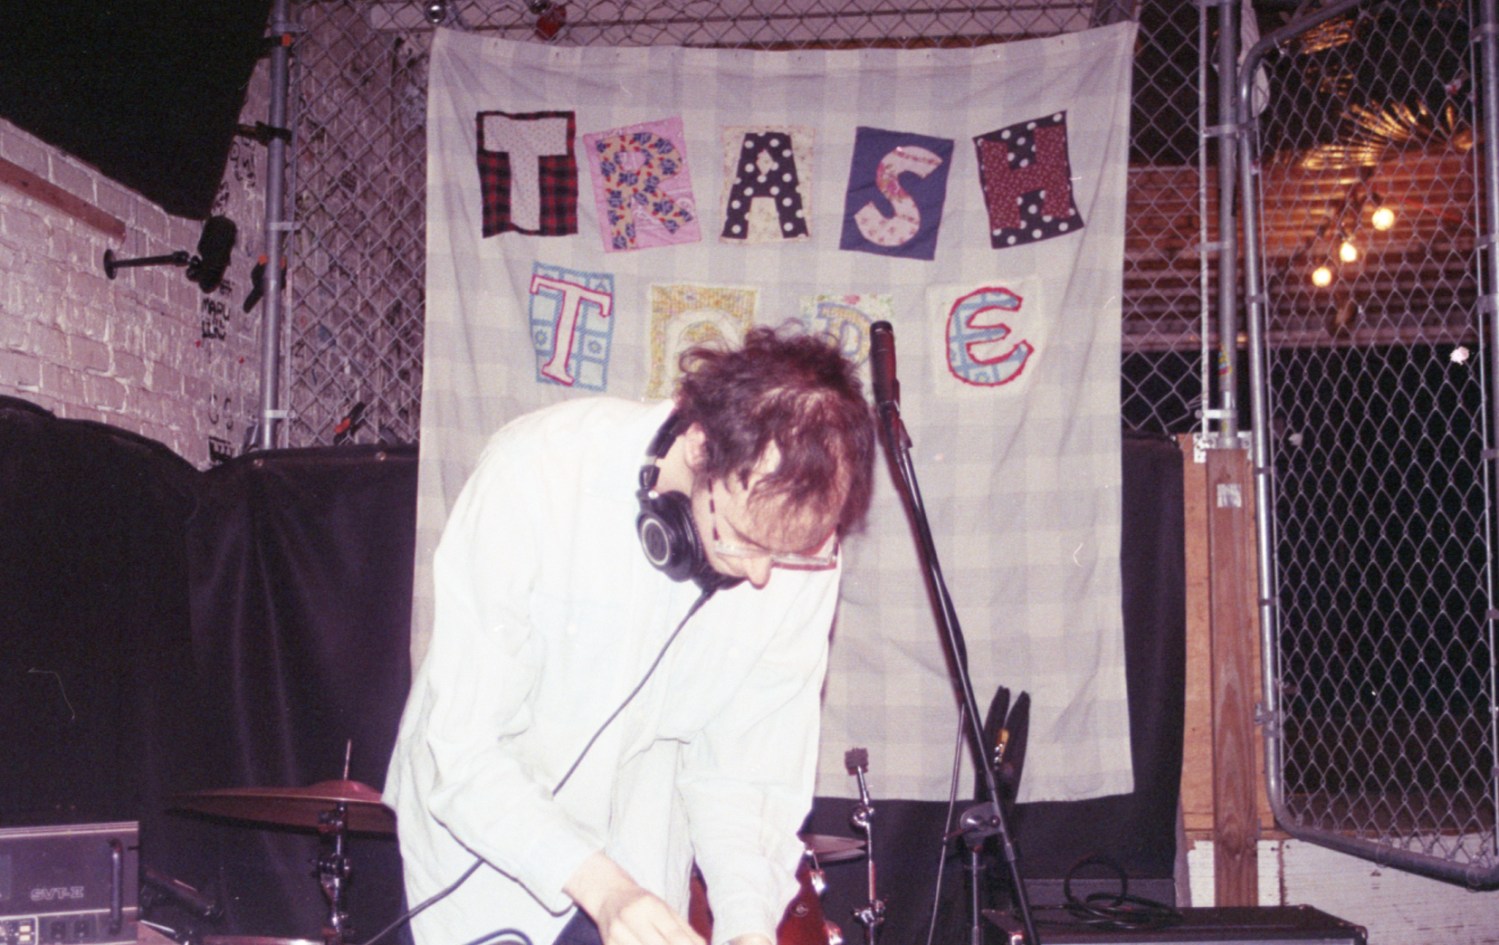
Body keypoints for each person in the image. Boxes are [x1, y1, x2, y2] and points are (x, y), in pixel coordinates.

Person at [384, 325, 876, 945]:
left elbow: (749, 774)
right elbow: (465, 742)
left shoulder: (798, 550)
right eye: (745, 541)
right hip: (480, 858)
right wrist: (603, 887)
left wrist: (748, 925)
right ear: (700, 447)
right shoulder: (540, 470)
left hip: (640, 868)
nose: (761, 575)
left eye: (787, 553)